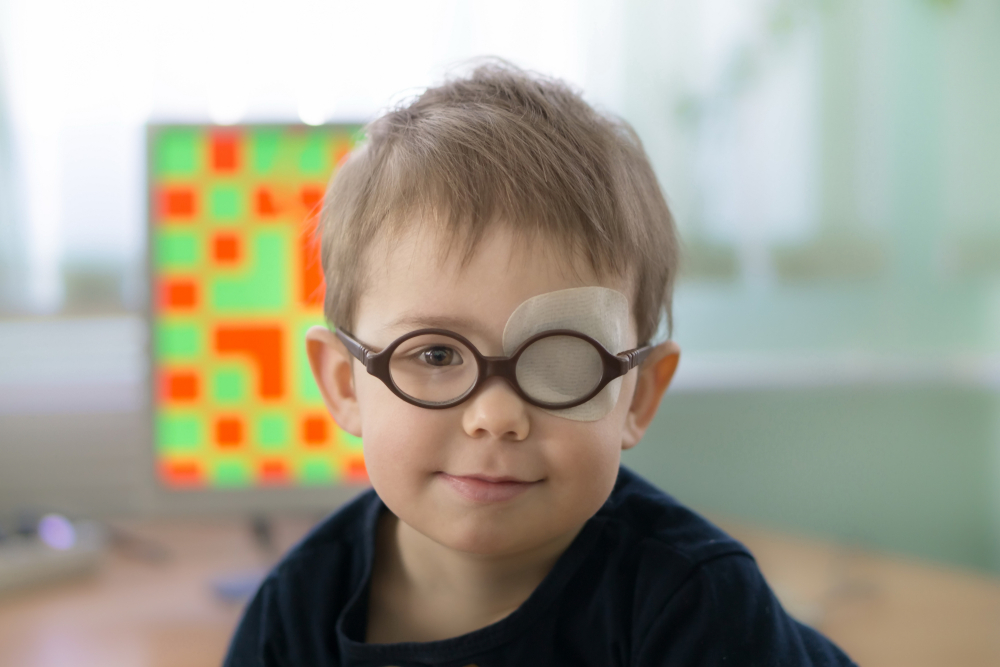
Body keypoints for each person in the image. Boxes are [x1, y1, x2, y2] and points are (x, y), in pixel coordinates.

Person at [224, 61, 857, 666]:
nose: (496, 417)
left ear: (636, 397)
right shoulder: (294, 613)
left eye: (561, 358)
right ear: (344, 385)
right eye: (436, 354)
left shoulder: (697, 607)